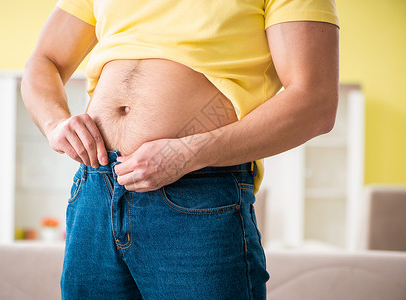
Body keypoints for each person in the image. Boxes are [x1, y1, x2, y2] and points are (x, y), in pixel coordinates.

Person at [21, 0, 339, 298]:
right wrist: (54, 123)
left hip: (198, 192)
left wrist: (186, 154)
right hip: (95, 187)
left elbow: (315, 101)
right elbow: (44, 59)